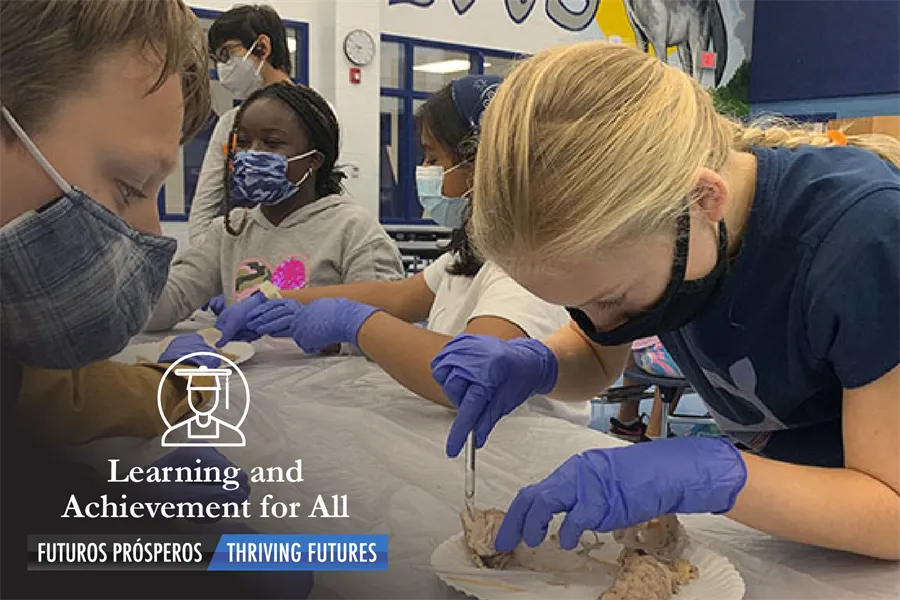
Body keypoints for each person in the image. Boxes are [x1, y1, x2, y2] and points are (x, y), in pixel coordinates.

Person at [430, 42, 900, 560]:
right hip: (807, 540)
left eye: (612, 298)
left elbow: (891, 512)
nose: (599, 323)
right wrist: (539, 364)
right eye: (575, 304)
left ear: (703, 200)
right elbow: (596, 354)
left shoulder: (862, 240)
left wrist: (707, 473)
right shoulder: (662, 241)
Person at [0, 1, 310, 596]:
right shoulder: (231, 229)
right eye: (128, 186)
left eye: (273, 145)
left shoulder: (347, 228)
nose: (150, 235)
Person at [217, 75, 591, 425]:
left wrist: (356, 323)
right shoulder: (476, 255)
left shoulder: (527, 271)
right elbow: (395, 296)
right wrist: (278, 300)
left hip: (525, 449)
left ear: (487, 164)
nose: (423, 170)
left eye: (433, 158)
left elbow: (467, 377)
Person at [145, 82, 403, 336]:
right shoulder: (230, 230)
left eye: (272, 142)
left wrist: (328, 334)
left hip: (330, 378)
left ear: (314, 160)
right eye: (243, 142)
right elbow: (170, 300)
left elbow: (389, 328)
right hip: (247, 375)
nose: (252, 154)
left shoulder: (352, 230)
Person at [189, 4, 295, 245]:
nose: (221, 68)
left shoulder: (318, 114)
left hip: (302, 251)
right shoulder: (230, 123)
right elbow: (206, 202)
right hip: (242, 252)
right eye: (217, 59)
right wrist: (201, 260)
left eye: (227, 54)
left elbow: (329, 192)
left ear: (262, 47)